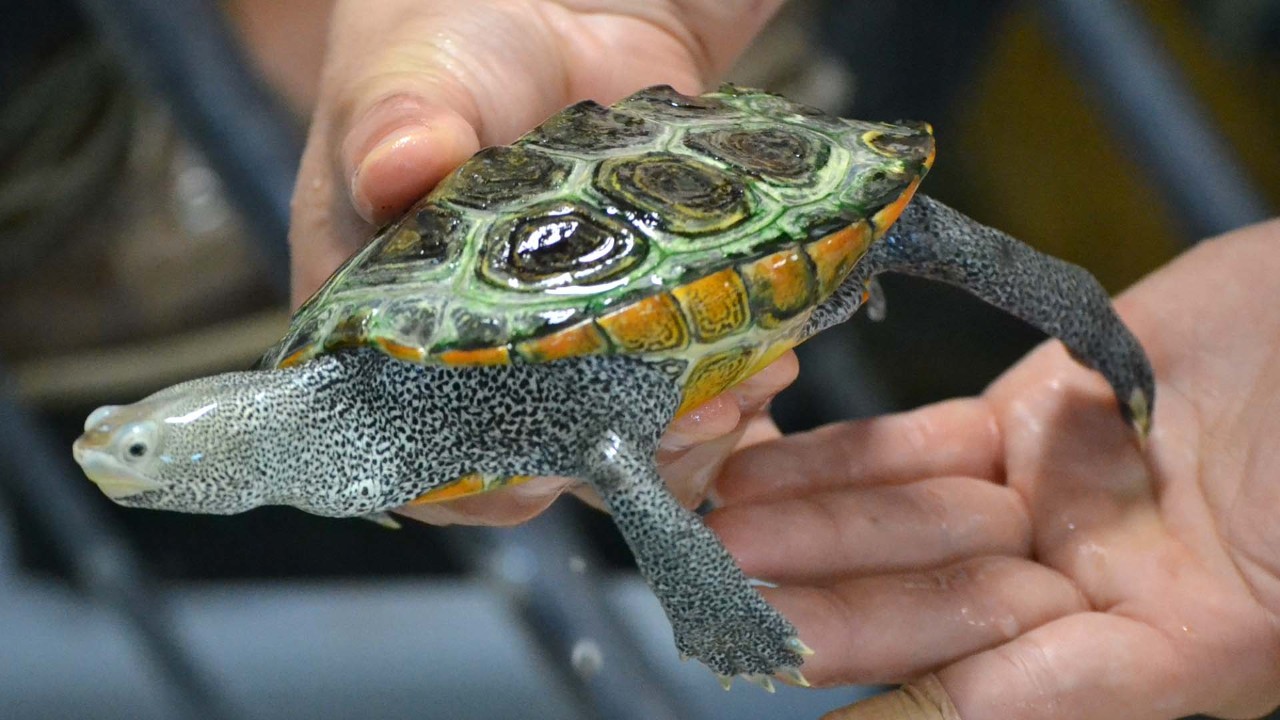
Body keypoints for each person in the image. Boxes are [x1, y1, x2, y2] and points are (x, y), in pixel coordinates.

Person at [279, 1, 1280, 717]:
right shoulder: (366, 398)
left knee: (957, 249)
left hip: (748, 200)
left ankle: (1094, 328)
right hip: (635, 251)